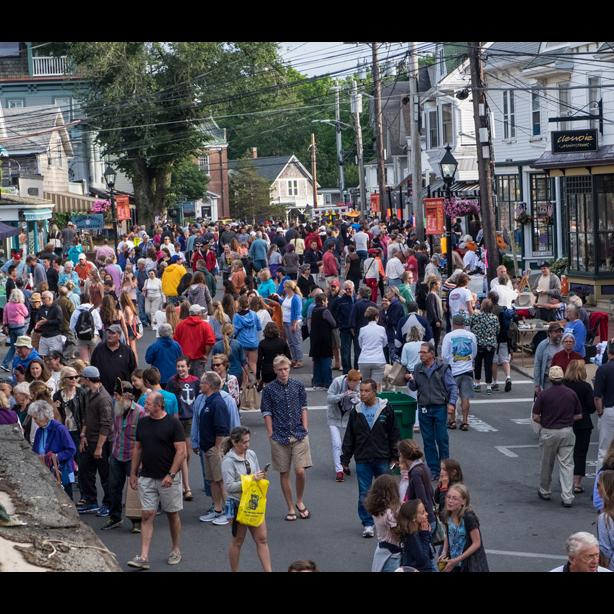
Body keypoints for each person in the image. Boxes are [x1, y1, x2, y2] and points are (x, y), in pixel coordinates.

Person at [127, 392, 187, 570]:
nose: (144, 406)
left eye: (148, 403)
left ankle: (176, 549)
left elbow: (181, 451)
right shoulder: (143, 422)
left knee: (172, 514)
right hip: (147, 476)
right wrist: (133, 473)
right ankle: (144, 556)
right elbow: (138, 449)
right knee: (147, 515)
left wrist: (171, 474)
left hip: (168, 478)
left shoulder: (173, 424)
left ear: (159, 405)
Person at [340, 378, 400, 537]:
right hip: (363, 458)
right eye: (361, 391)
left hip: (382, 457)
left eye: (367, 391)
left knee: (387, 492)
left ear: (375, 392)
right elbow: (349, 437)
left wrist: (396, 456)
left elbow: (394, 434)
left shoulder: (386, 409)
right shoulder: (356, 411)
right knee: (364, 493)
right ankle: (367, 524)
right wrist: (344, 460)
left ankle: (389, 521)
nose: (363, 394)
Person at [260, 355, 312, 522]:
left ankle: (300, 501)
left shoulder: (297, 385)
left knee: (300, 471)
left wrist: (305, 426)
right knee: (284, 472)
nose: (283, 372)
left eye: (286, 369)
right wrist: (270, 433)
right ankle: (290, 506)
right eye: (280, 370)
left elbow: (304, 406)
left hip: (298, 433)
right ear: (275, 370)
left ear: (289, 369)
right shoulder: (269, 390)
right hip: (279, 435)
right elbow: (266, 412)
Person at [222, 426, 272, 572]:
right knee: (238, 541)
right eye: (244, 442)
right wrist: (251, 479)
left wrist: (261, 476)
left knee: (262, 539)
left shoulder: (251, 454)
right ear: (235, 442)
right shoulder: (228, 461)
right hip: (237, 504)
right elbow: (229, 486)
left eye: (248, 441)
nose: (247, 445)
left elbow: (256, 474)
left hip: (253, 502)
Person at [532, 365, 583, 507]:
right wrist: (567, 420)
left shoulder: (544, 394)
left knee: (546, 463)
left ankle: (545, 490)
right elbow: (579, 415)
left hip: (549, 431)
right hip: (567, 430)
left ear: (550, 378)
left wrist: (546, 421)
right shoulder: (571, 393)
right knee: (567, 464)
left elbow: (536, 416)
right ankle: (567, 496)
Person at [407, 342, 458, 479]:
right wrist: (410, 381)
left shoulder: (443, 368)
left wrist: (451, 403)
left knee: (442, 439)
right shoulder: (417, 369)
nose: (421, 355)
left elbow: (453, 387)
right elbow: (414, 387)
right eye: (420, 352)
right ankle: (434, 471)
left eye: (423, 352)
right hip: (424, 408)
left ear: (431, 353)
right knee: (428, 440)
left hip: (439, 407)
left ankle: (445, 469)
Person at [102, 380, 146, 531]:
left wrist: (142, 462)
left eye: (117, 395)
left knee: (135, 488)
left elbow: (145, 439)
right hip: (116, 453)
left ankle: (137, 522)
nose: (115, 398)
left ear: (127, 396)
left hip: (133, 456)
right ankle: (115, 518)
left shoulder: (140, 412)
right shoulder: (117, 408)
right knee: (114, 487)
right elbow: (114, 430)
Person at [196, 371, 232, 526]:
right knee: (212, 480)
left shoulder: (217, 403)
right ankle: (217, 509)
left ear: (209, 385)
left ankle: (229, 513)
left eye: (202, 382)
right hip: (207, 447)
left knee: (221, 481)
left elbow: (222, 429)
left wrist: (217, 448)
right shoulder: (208, 401)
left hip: (214, 448)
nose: (200, 385)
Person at [77, 366, 113, 516]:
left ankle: (108, 503)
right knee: (85, 471)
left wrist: (99, 447)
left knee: (105, 475)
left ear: (87, 379)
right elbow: (87, 416)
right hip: (89, 439)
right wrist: (83, 435)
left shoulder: (104, 399)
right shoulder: (88, 393)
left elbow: (106, 425)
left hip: (101, 442)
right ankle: (91, 501)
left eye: (83, 378)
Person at [561, 359, 596, 495]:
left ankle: (566, 480)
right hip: (583, 423)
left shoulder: (563, 385)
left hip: (565, 422)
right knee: (581, 453)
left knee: (566, 453)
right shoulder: (586, 387)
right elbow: (591, 407)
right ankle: (577, 483)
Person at [29, 400, 77, 499]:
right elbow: (35, 450)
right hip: (45, 471)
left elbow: (71, 449)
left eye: (35, 418)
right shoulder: (39, 430)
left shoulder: (60, 429)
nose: (34, 421)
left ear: (44, 416)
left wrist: (55, 457)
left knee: (66, 500)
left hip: (60, 471)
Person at [439, 483, 489, 572]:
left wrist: (457, 560)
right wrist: (444, 552)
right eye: (448, 497)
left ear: (463, 501)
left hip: (468, 563)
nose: (450, 501)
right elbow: (448, 534)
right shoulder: (447, 514)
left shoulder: (468, 517)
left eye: (454, 498)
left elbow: (477, 543)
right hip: (453, 561)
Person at [442, 314, 477, 430]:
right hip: (467, 370)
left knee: (452, 396)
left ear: (453, 324)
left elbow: (444, 356)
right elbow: (474, 352)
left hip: (453, 370)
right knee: (465, 397)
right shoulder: (471, 336)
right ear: (464, 324)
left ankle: (452, 421)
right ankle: (465, 421)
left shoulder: (448, 336)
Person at [326, 369, 361, 482]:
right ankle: (339, 471)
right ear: (348, 380)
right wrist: (342, 395)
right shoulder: (337, 382)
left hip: (347, 419)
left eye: (357, 383)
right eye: (354, 384)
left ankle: (344, 463)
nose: (356, 386)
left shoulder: (359, 385)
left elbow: (360, 401)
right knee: (337, 443)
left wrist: (355, 399)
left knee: (349, 444)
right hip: (333, 417)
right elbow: (329, 398)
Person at [364, 474, 402, 572]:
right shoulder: (390, 513)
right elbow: (397, 534)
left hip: (381, 549)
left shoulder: (377, 509)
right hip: (392, 553)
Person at [90, 324, 137, 397]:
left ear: (119, 335)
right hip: (103, 392)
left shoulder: (127, 351)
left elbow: (133, 370)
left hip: (122, 393)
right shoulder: (99, 349)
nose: (109, 335)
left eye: (113, 333)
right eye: (108, 332)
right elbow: (93, 367)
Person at [173, 304, 216, 378]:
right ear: (200, 313)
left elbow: (175, 341)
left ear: (189, 313)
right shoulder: (205, 325)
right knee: (198, 382)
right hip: (199, 359)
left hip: (184, 359)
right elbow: (210, 341)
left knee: (183, 380)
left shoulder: (181, 325)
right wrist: (206, 355)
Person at [469, 299, 499, 394]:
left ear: (482, 306)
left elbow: (466, 322)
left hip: (478, 344)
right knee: (488, 365)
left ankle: (477, 384)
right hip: (490, 345)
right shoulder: (494, 318)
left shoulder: (476, 316)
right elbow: (497, 330)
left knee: (477, 364)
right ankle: (489, 386)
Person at [397, 499, 434, 573]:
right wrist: (425, 534)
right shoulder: (412, 536)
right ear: (413, 518)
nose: (427, 514)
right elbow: (422, 559)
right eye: (423, 512)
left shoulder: (417, 529)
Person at [309, 293, 336, 389]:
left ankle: (317, 382)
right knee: (326, 361)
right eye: (326, 300)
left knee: (317, 362)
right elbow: (333, 323)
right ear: (323, 301)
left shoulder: (314, 310)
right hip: (324, 339)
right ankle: (327, 382)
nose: (327, 302)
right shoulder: (325, 311)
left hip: (315, 339)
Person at [594, 340, 614, 467]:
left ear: (608, 352)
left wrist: (600, 412)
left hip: (609, 409)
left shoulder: (603, 369)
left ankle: (600, 484)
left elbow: (597, 396)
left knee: (604, 449)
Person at [145, 323, 183, 388]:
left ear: (159, 333)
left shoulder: (154, 346)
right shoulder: (177, 345)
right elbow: (181, 358)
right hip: (174, 377)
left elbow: (148, 360)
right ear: (171, 332)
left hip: (159, 377)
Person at [357, 306, 388, 383]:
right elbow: (385, 343)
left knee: (365, 384)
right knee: (376, 386)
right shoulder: (382, 329)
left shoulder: (362, 329)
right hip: (378, 359)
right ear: (376, 317)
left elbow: (360, 344)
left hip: (364, 359)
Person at [232, 295, 261, 377]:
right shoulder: (254, 314)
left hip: (242, 343)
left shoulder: (236, 316)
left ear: (239, 304)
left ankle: (244, 385)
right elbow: (259, 327)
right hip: (254, 343)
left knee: (243, 365)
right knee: (253, 364)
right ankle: (257, 382)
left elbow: (234, 331)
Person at [1, 289, 30, 372]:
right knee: (23, 346)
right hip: (20, 327)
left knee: (13, 347)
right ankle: (22, 364)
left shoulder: (7, 305)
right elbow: (26, 314)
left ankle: (5, 364)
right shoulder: (20, 305)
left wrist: (5, 325)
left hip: (11, 328)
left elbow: (4, 317)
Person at [256, 322, 292, 387]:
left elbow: (259, 360)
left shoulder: (262, 343)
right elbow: (289, 358)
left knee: (269, 390)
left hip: (267, 371)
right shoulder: (282, 342)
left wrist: (258, 375)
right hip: (280, 369)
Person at [425, 279, 444, 353]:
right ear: (434, 285)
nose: (439, 286)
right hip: (434, 321)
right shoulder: (431, 295)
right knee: (435, 337)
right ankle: (434, 352)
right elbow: (432, 308)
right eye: (438, 284)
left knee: (437, 337)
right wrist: (436, 320)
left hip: (438, 320)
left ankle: (434, 351)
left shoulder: (434, 294)